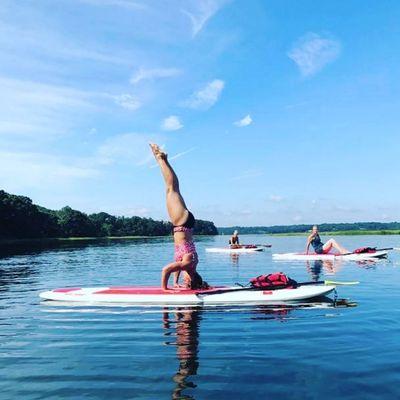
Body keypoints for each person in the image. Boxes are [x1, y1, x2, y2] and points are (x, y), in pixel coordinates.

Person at [150, 143, 207, 290]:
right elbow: (166, 269)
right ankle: (160, 159)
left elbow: (178, 265)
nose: (183, 277)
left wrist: (175, 283)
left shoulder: (190, 264)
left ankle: (163, 160)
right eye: (184, 280)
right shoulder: (188, 264)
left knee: (172, 189)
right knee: (171, 189)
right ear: (190, 280)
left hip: (185, 223)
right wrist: (164, 289)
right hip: (181, 223)